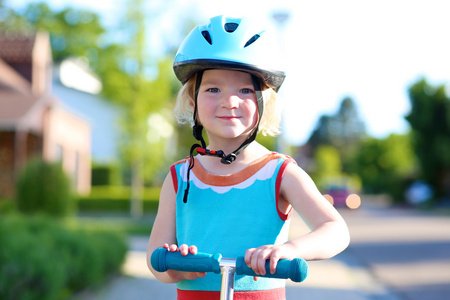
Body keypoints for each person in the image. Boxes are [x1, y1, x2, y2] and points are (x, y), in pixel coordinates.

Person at [147, 15, 350, 300]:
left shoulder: (279, 172)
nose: (229, 101)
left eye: (244, 90)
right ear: (192, 101)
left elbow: (336, 230)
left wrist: (289, 250)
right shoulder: (181, 177)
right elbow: (156, 260)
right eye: (213, 89)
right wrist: (178, 266)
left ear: (263, 102)